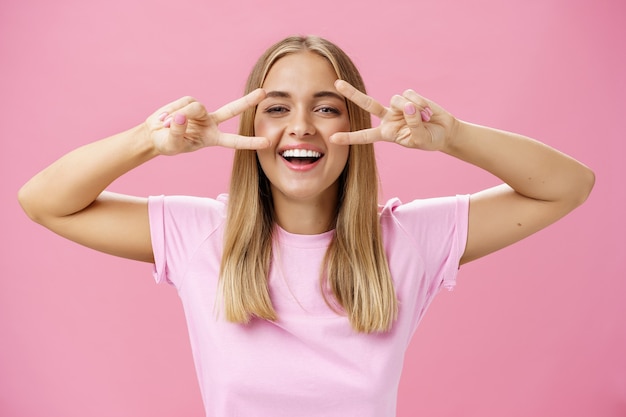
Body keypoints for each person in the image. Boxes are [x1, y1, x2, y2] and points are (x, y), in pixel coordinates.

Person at [18, 35, 594, 416]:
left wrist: (453, 136)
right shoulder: (200, 235)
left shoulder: (409, 241)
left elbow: (569, 185)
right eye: (277, 107)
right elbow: (44, 201)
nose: (301, 127)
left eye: (325, 107)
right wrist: (149, 140)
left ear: (354, 126)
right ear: (249, 127)